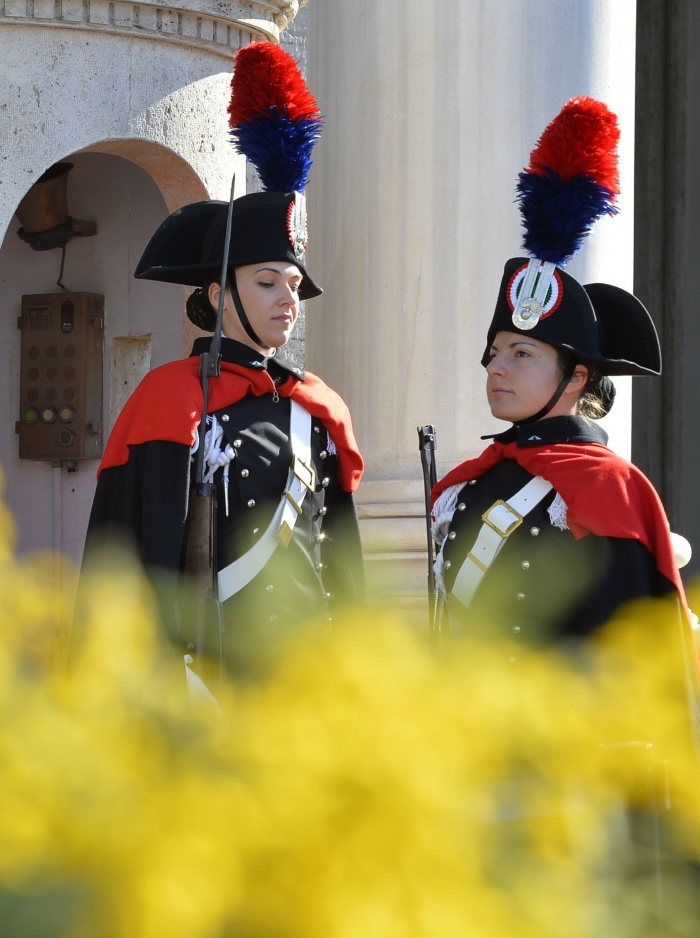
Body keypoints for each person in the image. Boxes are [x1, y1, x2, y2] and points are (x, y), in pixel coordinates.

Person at [83, 43, 364, 681]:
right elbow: (130, 566)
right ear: (218, 295)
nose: (288, 299)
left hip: (306, 685)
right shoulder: (169, 399)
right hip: (203, 684)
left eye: (294, 284)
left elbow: (341, 569)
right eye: (267, 282)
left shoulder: (316, 407)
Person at [429, 97, 695, 651]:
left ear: (576, 377)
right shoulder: (472, 482)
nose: (496, 366)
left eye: (522, 353)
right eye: (495, 351)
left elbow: (625, 656)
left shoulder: (611, 488)